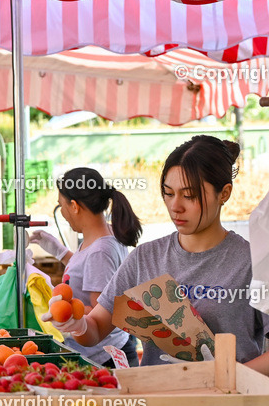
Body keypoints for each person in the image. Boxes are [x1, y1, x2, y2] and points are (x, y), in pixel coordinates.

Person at [46, 136, 267, 366]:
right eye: (169, 193)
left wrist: (231, 376)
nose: (175, 206)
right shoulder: (145, 259)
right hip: (159, 399)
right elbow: (96, 329)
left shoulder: (253, 263)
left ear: (224, 193)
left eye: (189, 195)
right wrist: (77, 324)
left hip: (230, 400)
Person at [29, 168, 142, 368]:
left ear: (74, 206)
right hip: (103, 350)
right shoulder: (104, 236)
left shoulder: (100, 251)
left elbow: (103, 310)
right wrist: (61, 252)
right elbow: (88, 272)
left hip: (104, 356)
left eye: (60, 205)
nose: (61, 212)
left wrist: (65, 312)